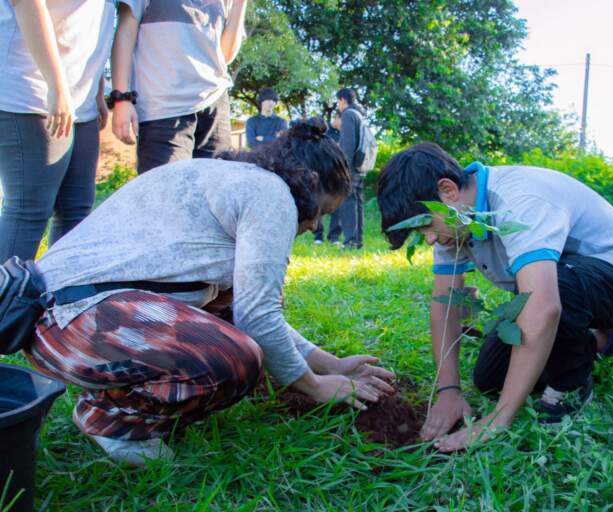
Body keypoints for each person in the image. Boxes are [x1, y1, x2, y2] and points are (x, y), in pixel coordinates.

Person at [26, 119, 395, 466]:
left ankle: (114, 397)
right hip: (73, 323)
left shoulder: (229, 179)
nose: (314, 224)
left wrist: (332, 364)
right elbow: (258, 318)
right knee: (235, 357)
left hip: (53, 323)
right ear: (308, 184)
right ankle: (113, 422)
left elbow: (242, 308)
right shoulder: (273, 195)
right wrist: (315, 386)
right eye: (321, 211)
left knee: (226, 301)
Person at [376, 143, 613, 452]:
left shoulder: (518, 199)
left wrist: (499, 419)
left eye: (426, 226)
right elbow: (445, 305)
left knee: (552, 290)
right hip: (558, 285)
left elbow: (544, 306)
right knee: (490, 378)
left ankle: (571, 386)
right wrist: (448, 391)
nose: (429, 239)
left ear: (448, 191)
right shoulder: (454, 220)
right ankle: (603, 343)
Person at [0, 0, 116, 261]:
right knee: (28, 211)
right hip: (31, 93)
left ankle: (61, 298)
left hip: (78, 98)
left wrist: (97, 86)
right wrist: (56, 85)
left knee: (76, 210)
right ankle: (8, 298)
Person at [110, 0, 247, 174]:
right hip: (164, 109)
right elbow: (125, 30)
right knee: (165, 196)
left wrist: (240, 4)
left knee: (215, 194)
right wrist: (121, 98)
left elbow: (224, 56)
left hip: (215, 105)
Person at [333, 88, 367, 249]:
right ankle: (357, 241)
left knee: (347, 204)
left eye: (338, 102)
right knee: (357, 204)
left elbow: (348, 145)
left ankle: (350, 242)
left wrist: (343, 168)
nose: (338, 106)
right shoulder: (359, 114)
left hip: (350, 167)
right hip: (361, 166)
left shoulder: (348, 114)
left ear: (342, 100)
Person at [314, 111, 343, 244]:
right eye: (342, 121)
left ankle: (334, 237)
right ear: (337, 118)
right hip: (321, 174)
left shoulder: (345, 135)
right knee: (319, 205)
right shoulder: (324, 134)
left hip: (337, 175)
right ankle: (318, 236)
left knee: (337, 207)